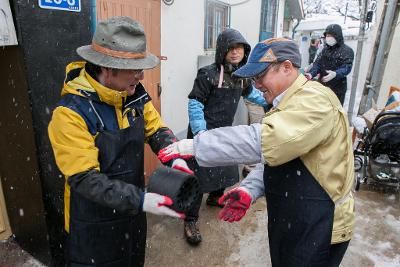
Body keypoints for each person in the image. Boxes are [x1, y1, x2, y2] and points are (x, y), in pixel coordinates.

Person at [159, 38, 355, 266]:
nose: (257, 84)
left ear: (287, 67)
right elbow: (280, 158)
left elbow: (264, 141)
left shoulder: (315, 101)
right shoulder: (288, 101)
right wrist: (250, 189)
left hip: (320, 224)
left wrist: (195, 144)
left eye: (261, 76)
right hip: (293, 216)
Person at [48, 16, 193, 267]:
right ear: (107, 67)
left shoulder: (133, 94)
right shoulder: (70, 113)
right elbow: (85, 180)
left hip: (132, 217)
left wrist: (175, 156)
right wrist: (141, 199)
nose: (140, 77)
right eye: (134, 70)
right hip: (94, 224)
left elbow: (156, 129)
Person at [185, 28, 266, 245]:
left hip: (223, 130)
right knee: (197, 177)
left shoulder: (242, 77)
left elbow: (252, 95)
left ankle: (214, 197)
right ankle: (190, 220)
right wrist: (201, 133)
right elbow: (195, 103)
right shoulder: (207, 74)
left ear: (244, 50)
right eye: (230, 48)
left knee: (224, 167)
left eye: (238, 48)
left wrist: (271, 101)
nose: (234, 52)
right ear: (222, 50)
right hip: (202, 130)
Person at [306, 24, 354, 105]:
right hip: (322, 86)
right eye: (327, 35)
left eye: (330, 35)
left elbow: (347, 67)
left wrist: (335, 74)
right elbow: (318, 64)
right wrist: (311, 74)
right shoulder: (325, 50)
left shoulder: (347, 51)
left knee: (333, 112)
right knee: (320, 109)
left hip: (337, 89)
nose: (328, 38)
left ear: (337, 36)